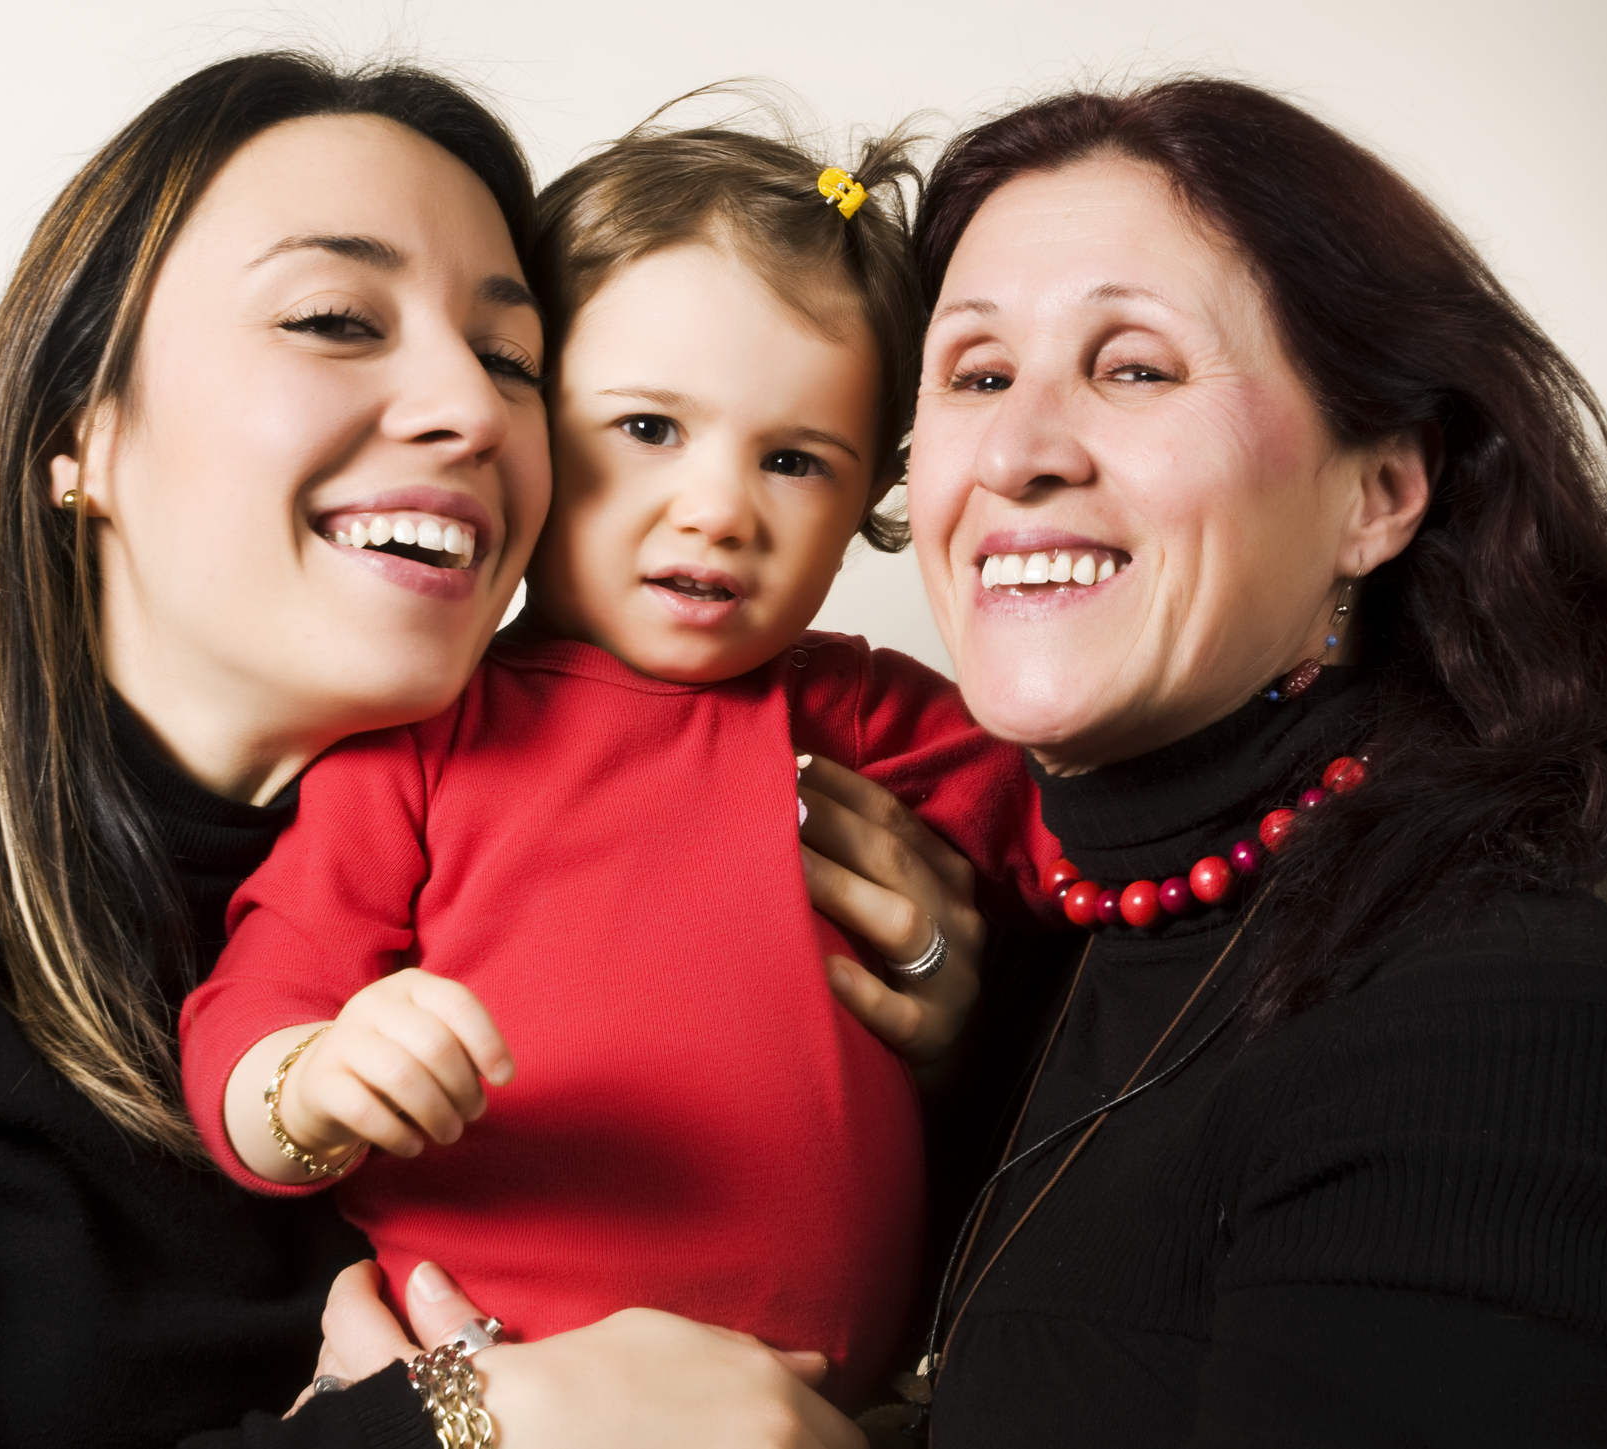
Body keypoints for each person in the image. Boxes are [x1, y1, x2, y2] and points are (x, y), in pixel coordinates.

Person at [317, 78, 1607, 1449]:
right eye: (972, 376)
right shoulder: (1056, 968)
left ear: (1378, 492)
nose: (1019, 449)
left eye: (1135, 367)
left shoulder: (1510, 1037)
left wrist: (471, 1422)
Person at [176, 120, 1057, 1406]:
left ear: (874, 491)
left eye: (794, 460)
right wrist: (312, 1085)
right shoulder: (425, 741)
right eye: (648, 426)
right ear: (527, 424)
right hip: (498, 1397)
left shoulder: (861, 714)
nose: (717, 506)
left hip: (824, 1420)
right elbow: (257, 1002)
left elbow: (1100, 837)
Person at [0, 51, 558, 1447]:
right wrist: (470, 1426)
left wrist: (951, 1010)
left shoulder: (623, 858)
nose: (473, 410)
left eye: (512, 359)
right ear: (83, 433)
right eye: (332, 318)